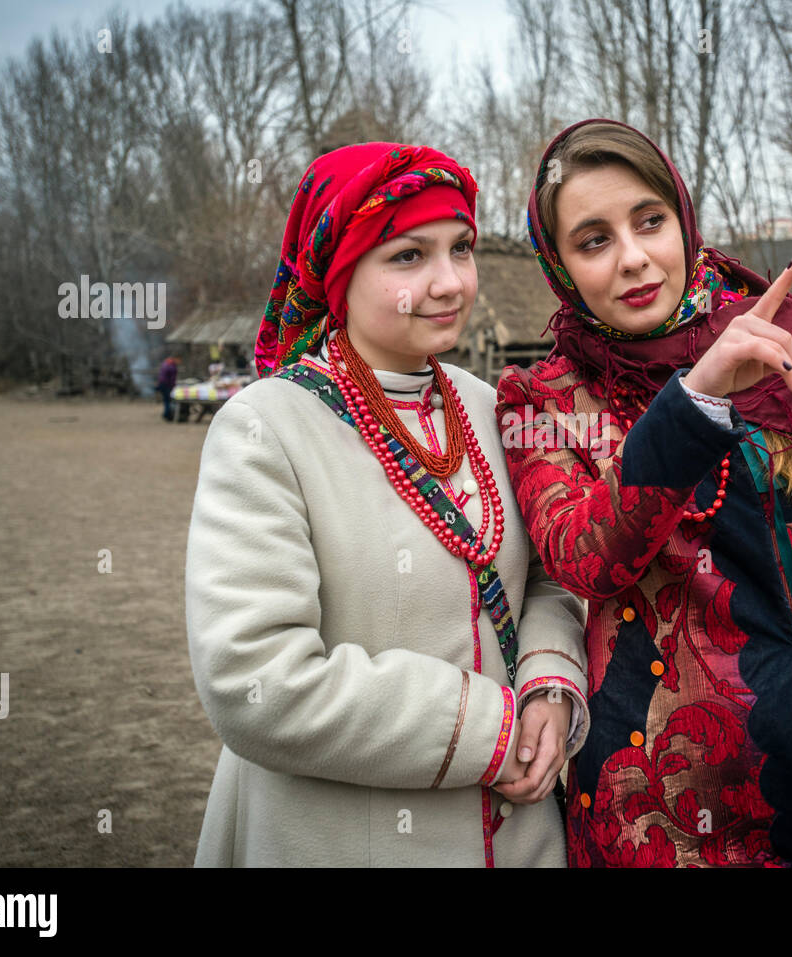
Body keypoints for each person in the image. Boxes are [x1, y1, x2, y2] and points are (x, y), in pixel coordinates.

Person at [496, 119, 792, 867]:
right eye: (593, 240)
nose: (633, 259)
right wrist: (695, 399)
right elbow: (583, 557)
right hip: (641, 814)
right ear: (559, 263)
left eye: (650, 220)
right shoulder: (540, 400)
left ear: (683, 219)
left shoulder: (791, 344)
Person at [185, 142, 590, 866]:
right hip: (344, 840)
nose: (449, 282)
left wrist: (551, 687)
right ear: (340, 275)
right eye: (408, 256)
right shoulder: (266, 428)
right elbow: (257, 680)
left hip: (524, 835)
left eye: (460, 248)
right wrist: (495, 730)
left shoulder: (491, 407)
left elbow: (551, 578)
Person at [156, 356, 178, 421]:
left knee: (166, 400)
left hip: (162, 384)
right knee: (169, 400)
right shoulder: (172, 367)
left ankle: (166, 413)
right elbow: (172, 378)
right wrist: (173, 385)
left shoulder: (165, 364)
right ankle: (168, 414)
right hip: (167, 385)